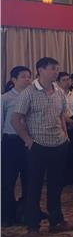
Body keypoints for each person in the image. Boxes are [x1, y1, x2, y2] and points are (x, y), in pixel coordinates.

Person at [11, 57, 72, 237]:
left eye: (57, 68)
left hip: (59, 144)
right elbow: (15, 119)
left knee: (56, 185)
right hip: (38, 146)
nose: (56, 72)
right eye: (52, 68)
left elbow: (61, 115)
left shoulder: (59, 91)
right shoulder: (29, 93)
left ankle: (56, 220)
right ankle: (33, 226)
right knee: (34, 187)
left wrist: (65, 135)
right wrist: (28, 140)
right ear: (40, 70)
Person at [2, 66, 32, 227]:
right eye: (23, 77)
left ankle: (27, 212)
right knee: (8, 181)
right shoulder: (5, 98)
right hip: (11, 142)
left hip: (29, 142)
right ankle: (7, 214)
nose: (27, 79)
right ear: (14, 80)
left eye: (29, 76)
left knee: (30, 179)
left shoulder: (32, 96)